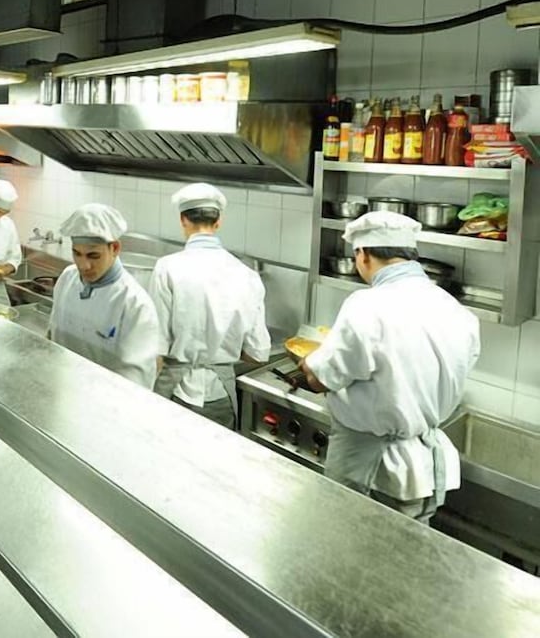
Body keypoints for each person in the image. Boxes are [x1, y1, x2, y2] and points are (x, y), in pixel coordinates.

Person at [300, 211, 480, 523]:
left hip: (370, 468)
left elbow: (322, 378)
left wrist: (307, 363)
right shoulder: (456, 311)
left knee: (346, 546)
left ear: (363, 255)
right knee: (405, 549)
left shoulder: (366, 305)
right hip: (422, 471)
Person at [149, 183, 270, 429]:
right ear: (218, 222)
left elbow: (155, 347)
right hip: (221, 396)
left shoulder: (167, 268)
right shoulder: (247, 276)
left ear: (183, 220)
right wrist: (220, 349)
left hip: (175, 393)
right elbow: (258, 353)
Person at [49, 203, 159, 389]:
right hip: (60, 388)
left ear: (114, 248)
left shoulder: (134, 304)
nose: (83, 265)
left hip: (104, 401)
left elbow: (136, 383)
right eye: (77, 253)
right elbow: (53, 336)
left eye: (93, 256)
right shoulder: (68, 277)